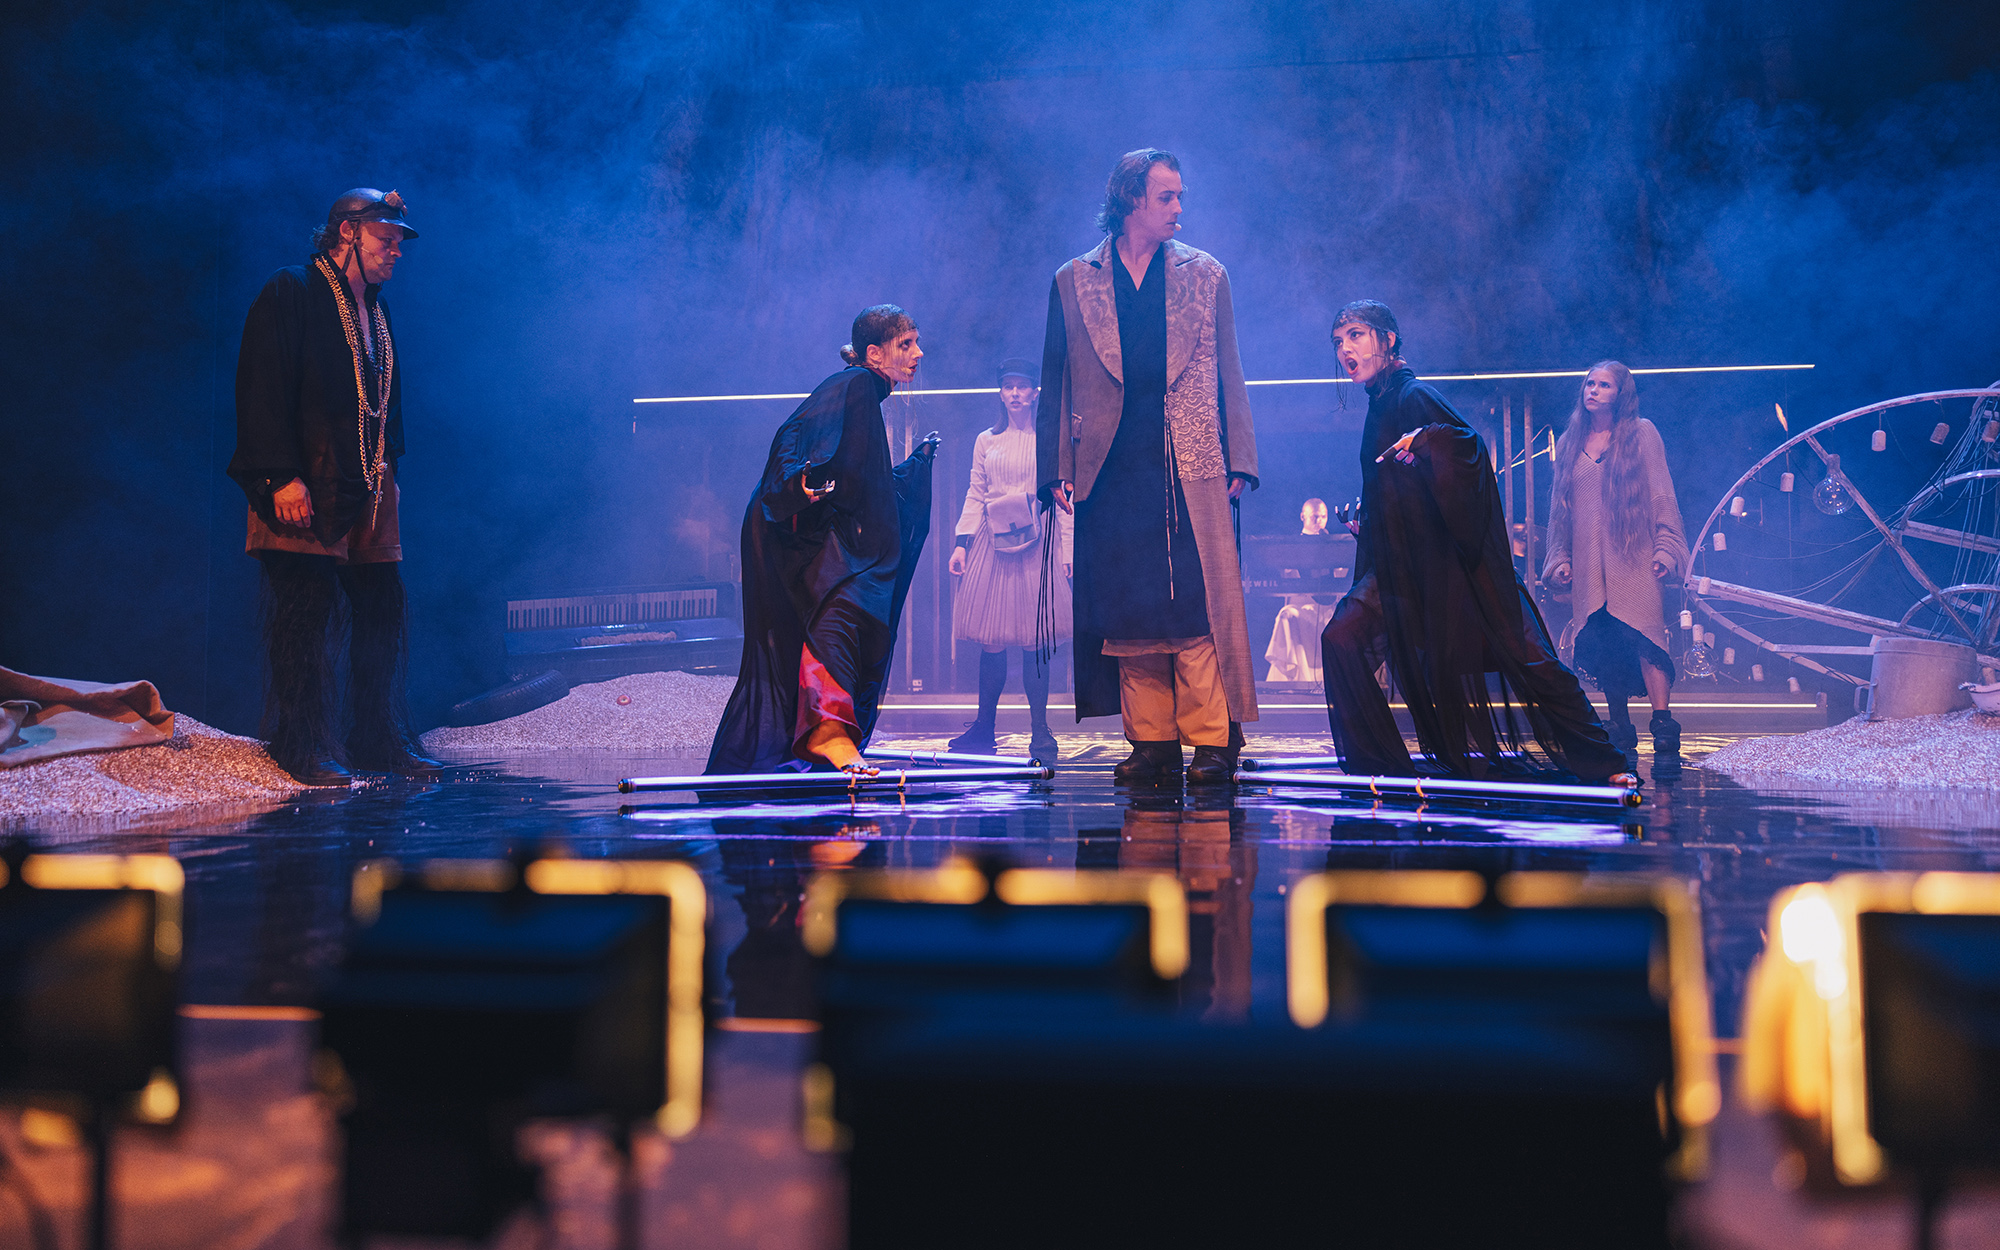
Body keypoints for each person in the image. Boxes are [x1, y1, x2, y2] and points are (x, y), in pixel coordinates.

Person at [1317, 300, 1628, 782]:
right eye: (1339, 341)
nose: (1345, 349)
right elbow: (1398, 489)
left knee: (1531, 658)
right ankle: (1377, 767)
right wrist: (1371, 523)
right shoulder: (1379, 405)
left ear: (1388, 339)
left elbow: (1469, 447)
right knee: (1341, 636)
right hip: (1402, 566)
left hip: (1454, 564)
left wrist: (1429, 439)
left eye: (1356, 335)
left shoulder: (1412, 394)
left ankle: (1605, 762)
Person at [1038, 148, 1260, 785]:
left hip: (1189, 454)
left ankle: (1212, 739)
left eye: (1180, 196)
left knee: (1194, 599)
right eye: (1167, 197)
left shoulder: (1205, 274)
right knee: (1128, 605)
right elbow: (1056, 377)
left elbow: (1231, 369)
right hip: (1109, 461)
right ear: (1131, 199)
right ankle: (1152, 740)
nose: (1179, 209)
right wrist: (1055, 466)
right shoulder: (1074, 278)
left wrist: (1240, 455)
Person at [227, 188, 441, 786]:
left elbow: (384, 398)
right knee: (305, 611)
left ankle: (376, 738)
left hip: (367, 479)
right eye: (385, 238)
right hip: (303, 480)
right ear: (347, 232)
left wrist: (389, 467)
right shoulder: (291, 289)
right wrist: (278, 476)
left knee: (381, 607)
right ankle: (301, 743)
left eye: (398, 241)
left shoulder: (375, 308)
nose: (396, 251)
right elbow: (262, 387)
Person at [706, 305, 939, 775]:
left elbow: (861, 482)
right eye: (906, 344)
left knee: (843, 614)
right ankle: (828, 733)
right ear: (874, 353)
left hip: (823, 526)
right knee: (842, 612)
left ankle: (825, 733)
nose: (919, 353)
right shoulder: (854, 384)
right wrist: (797, 481)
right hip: (802, 526)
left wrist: (912, 471)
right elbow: (791, 435)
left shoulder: (864, 390)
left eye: (917, 342)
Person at [1543, 362, 1690, 775]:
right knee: (1603, 638)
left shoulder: (1642, 433)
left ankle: (1663, 722)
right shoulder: (1571, 441)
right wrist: (1560, 557)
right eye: (1589, 383)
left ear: (1620, 392)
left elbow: (1662, 494)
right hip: (1589, 562)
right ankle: (1619, 723)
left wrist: (1666, 548)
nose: (1592, 390)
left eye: (1603, 385)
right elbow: (1560, 510)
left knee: (1645, 636)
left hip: (1635, 554)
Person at [946, 358, 1073, 762]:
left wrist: (1067, 549)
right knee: (992, 637)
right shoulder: (986, 440)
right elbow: (976, 491)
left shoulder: (1048, 440)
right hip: (993, 541)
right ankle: (984, 726)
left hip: (1038, 540)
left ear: (1035, 393)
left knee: (1035, 637)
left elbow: (1064, 497)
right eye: (1008, 386)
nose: (1015, 393)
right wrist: (962, 543)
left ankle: (1040, 728)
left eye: (1022, 386)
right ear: (1000, 394)